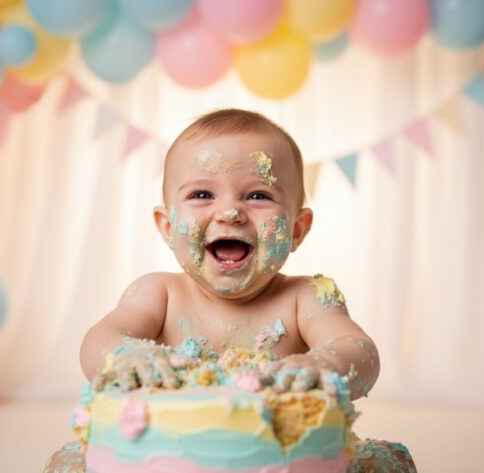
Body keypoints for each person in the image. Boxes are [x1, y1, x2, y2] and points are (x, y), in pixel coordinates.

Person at [46, 109, 416, 473]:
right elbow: (100, 339)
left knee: (387, 462)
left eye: (257, 196)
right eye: (203, 194)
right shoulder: (158, 293)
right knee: (68, 463)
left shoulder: (307, 297)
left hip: (283, 459)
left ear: (297, 230)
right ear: (167, 226)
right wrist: (127, 356)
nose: (230, 213)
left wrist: (323, 366)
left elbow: (359, 351)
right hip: (165, 463)